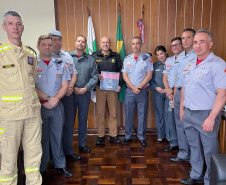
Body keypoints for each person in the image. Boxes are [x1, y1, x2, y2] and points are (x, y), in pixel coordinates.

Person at [0, 11, 42, 184]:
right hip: (10, 116)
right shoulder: (1, 53)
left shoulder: (31, 54)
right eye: (11, 23)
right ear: (4, 27)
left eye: (18, 24)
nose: (15, 27)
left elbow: (32, 82)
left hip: (32, 114)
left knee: (34, 160)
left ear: (23, 27)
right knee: (9, 162)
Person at [180, 29, 226, 185]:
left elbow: (222, 94)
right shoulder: (190, 63)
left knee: (210, 150)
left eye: (202, 41)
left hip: (206, 114)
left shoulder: (218, 64)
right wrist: (182, 109)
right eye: (195, 42)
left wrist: (212, 117)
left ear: (210, 44)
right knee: (194, 146)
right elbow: (185, 88)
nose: (197, 45)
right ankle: (196, 174)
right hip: (189, 113)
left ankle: (210, 180)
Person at [35, 35, 72, 178]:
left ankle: (60, 165)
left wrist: (55, 100)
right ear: (38, 46)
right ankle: (42, 167)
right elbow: (31, 86)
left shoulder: (60, 63)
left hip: (57, 106)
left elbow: (65, 85)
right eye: (44, 44)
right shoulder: (32, 64)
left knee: (58, 136)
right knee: (42, 138)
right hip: (39, 107)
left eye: (50, 45)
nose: (47, 47)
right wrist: (47, 99)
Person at [48, 30, 81, 160]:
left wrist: (70, 86)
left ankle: (68, 152)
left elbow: (74, 73)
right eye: (54, 39)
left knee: (68, 124)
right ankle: (54, 155)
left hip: (67, 96)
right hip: (52, 97)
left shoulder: (67, 56)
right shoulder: (46, 56)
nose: (56, 42)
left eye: (59, 39)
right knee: (54, 127)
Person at [170, 28, 197, 162]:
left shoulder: (197, 55)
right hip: (179, 92)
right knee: (179, 125)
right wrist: (175, 95)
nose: (185, 41)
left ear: (194, 39)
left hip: (191, 94)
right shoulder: (180, 56)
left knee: (191, 126)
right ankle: (183, 153)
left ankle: (194, 157)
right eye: (183, 38)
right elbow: (176, 78)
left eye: (188, 37)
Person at [122, 36, 153, 147]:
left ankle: (141, 136)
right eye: (133, 43)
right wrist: (133, 87)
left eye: (138, 43)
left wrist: (139, 87)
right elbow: (124, 75)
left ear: (141, 45)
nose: (135, 45)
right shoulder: (127, 59)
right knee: (128, 115)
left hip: (143, 91)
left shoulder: (147, 59)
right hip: (130, 91)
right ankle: (128, 136)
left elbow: (149, 75)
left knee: (142, 114)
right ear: (131, 45)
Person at [69, 35, 98, 153]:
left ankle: (82, 144)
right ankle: (68, 146)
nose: (81, 43)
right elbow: (63, 74)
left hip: (84, 94)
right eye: (79, 41)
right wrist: (72, 87)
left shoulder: (90, 59)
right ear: (75, 42)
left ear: (85, 44)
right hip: (69, 93)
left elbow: (94, 77)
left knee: (82, 119)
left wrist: (86, 88)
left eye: (83, 42)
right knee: (69, 120)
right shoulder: (67, 57)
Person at [92, 36, 123, 144]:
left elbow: (121, 71)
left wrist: (119, 84)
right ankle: (100, 135)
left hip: (113, 89)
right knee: (100, 113)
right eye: (103, 42)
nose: (105, 44)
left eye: (107, 42)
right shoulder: (94, 56)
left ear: (110, 44)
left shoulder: (116, 56)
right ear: (100, 44)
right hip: (100, 88)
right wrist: (97, 76)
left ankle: (113, 135)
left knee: (113, 113)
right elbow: (91, 71)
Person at [163, 37, 183, 152]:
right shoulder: (169, 60)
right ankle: (174, 142)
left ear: (181, 45)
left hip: (180, 93)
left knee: (181, 120)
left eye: (177, 45)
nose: (175, 47)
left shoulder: (187, 59)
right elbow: (165, 77)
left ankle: (183, 145)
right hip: (169, 93)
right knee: (170, 119)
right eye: (173, 46)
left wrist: (174, 92)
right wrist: (168, 90)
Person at [149, 46, 169, 144]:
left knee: (169, 115)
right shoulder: (155, 66)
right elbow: (151, 82)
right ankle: (161, 135)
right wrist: (157, 88)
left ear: (165, 52)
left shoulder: (172, 63)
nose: (160, 56)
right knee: (160, 114)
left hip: (170, 94)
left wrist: (169, 90)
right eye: (158, 55)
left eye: (161, 53)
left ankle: (170, 136)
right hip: (158, 94)